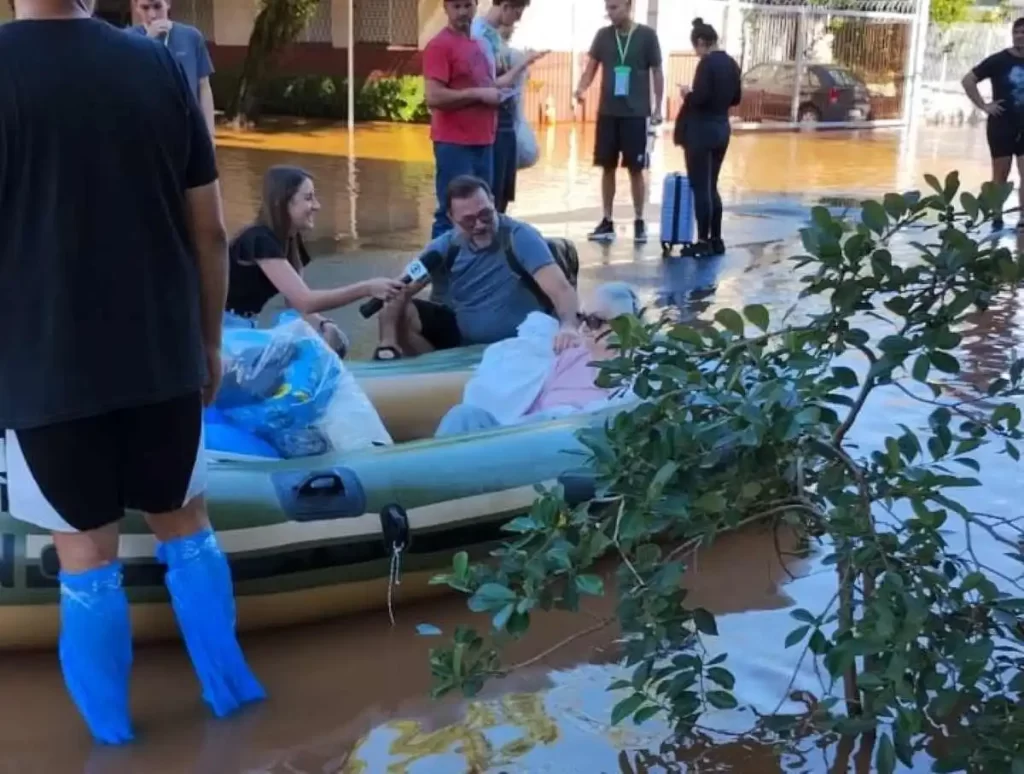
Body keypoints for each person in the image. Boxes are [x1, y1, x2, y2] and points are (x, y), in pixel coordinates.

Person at [0, 0, 263, 745]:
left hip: (44, 370)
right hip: (161, 357)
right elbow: (210, 230)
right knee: (189, 530)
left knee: (85, 559)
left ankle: (114, 745)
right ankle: (235, 701)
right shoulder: (154, 63)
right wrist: (207, 344)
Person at [374, 175, 581, 359]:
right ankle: (423, 367)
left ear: (492, 202)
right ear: (451, 218)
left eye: (485, 215)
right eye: (469, 221)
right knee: (400, 305)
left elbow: (561, 288)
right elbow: (396, 290)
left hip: (520, 344)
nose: (480, 225)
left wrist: (569, 326)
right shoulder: (443, 247)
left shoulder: (520, 237)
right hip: (463, 342)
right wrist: (387, 341)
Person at [225, 165, 403, 356]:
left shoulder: (290, 240)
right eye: (308, 198)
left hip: (246, 326)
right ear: (284, 203)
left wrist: (322, 324)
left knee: (305, 328)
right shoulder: (258, 239)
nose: (317, 206)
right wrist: (367, 288)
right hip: (222, 330)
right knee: (300, 339)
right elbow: (305, 301)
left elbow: (295, 305)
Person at [435, 282, 642, 435]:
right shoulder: (571, 354)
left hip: (551, 442)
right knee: (463, 415)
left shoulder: (630, 374)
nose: (585, 327)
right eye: (583, 318)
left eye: (596, 321)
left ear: (625, 326)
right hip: (516, 432)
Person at [574, 0, 664, 245]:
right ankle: (607, 220)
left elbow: (657, 71)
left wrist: (657, 108)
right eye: (608, 7)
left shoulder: (647, 36)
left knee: (636, 169)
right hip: (608, 113)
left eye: (615, 7)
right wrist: (581, 88)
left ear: (628, 5)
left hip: (636, 114)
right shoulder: (603, 36)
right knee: (607, 166)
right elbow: (591, 67)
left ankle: (639, 219)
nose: (610, 12)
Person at [674, 18, 741, 258]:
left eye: (696, 48)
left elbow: (699, 99)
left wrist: (686, 93)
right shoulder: (732, 63)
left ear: (702, 43)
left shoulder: (707, 64)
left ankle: (702, 241)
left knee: (701, 187)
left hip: (701, 132)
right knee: (712, 185)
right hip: (722, 129)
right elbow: (736, 99)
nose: (697, 53)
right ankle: (716, 239)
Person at [472, 0, 545, 214]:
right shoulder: (480, 36)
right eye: (517, 12)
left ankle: (498, 242)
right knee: (490, 196)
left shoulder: (493, 35)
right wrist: (523, 64)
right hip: (491, 123)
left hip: (505, 121)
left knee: (502, 195)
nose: (518, 19)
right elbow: (488, 83)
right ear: (505, 6)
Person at [962, 17, 1024, 232]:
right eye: (1017, 32)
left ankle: (1022, 221)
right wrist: (984, 106)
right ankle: (996, 217)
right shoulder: (998, 60)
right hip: (1002, 125)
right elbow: (968, 80)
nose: (1020, 36)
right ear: (1012, 35)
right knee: (1001, 174)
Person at [132, 0, 215, 136]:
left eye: (157, 6)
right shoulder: (126, 38)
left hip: (186, 128)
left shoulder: (191, 36)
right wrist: (147, 41)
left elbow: (204, 86)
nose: (152, 15)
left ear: (168, 3)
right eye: (145, 8)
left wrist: (210, 134)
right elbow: (127, 83)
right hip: (146, 131)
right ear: (136, 8)